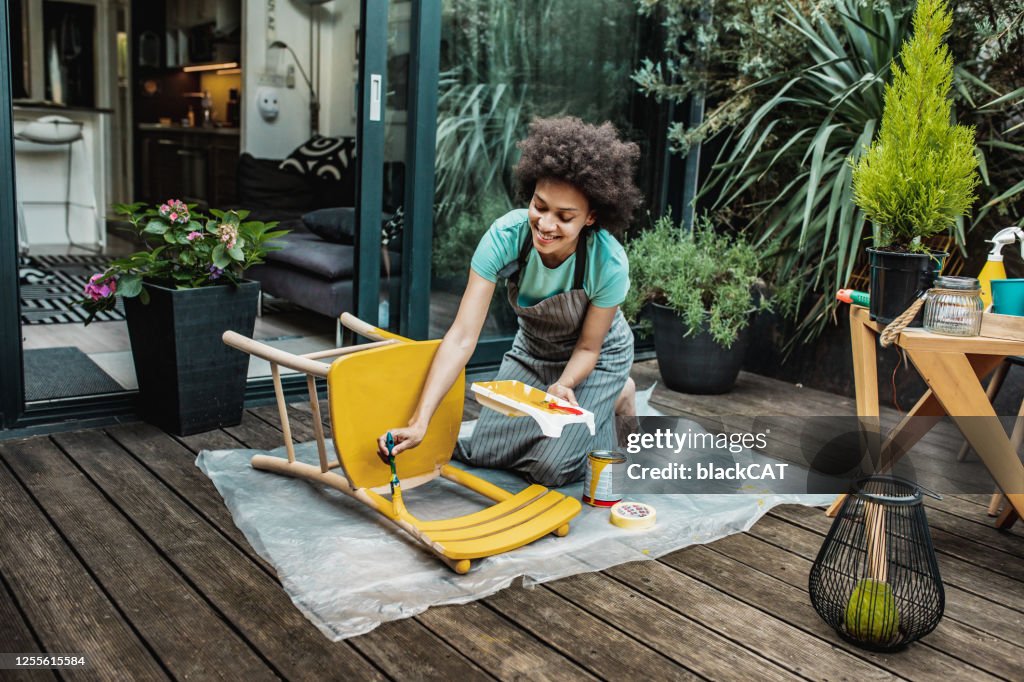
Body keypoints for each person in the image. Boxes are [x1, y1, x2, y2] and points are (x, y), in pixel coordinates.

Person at [377, 116, 641, 486]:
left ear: (591, 217)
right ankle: (592, 410)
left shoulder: (607, 262)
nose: (546, 225)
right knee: (486, 452)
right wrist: (420, 421)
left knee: (554, 468)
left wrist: (565, 385)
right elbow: (462, 337)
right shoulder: (505, 238)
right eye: (540, 206)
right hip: (533, 351)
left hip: (595, 360)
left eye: (565, 217)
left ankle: (616, 393)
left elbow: (588, 346)